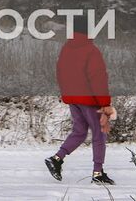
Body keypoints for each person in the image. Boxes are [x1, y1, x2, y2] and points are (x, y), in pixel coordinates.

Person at [45, 31, 117, 186]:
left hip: (73, 99)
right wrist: (105, 103)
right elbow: (98, 78)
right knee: (99, 134)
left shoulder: (66, 49)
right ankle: (98, 173)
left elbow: (60, 72)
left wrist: (66, 93)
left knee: (79, 132)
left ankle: (56, 159)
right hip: (89, 100)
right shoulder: (91, 51)